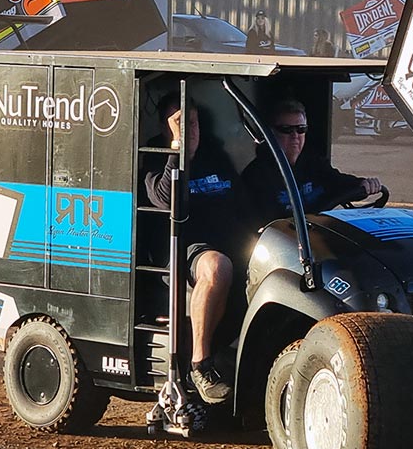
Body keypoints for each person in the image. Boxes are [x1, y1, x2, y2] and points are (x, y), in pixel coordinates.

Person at [143, 95, 253, 404]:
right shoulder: (154, 154)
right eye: (180, 123)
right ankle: (200, 364)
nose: (190, 129)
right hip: (183, 248)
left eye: (193, 123)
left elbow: (242, 201)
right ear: (165, 127)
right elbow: (165, 200)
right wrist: (179, 151)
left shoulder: (215, 154)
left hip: (227, 240)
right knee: (218, 267)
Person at [242, 99, 382, 226]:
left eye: (301, 129)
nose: (295, 136)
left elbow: (336, 180)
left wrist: (362, 184)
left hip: (315, 235)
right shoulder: (256, 176)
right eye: (287, 130)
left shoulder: (314, 164)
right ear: (270, 133)